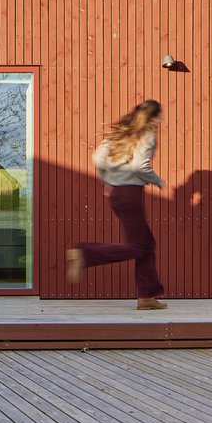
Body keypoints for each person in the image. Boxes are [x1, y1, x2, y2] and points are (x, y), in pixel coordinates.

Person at [66, 98, 167, 310]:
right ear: (154, 117)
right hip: (130, 194)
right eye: (160, 116)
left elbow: (98, 158)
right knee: (141, 246)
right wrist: (157, 180)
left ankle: (147, 297)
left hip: (117, 194)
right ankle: (85, 253)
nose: (161, 119)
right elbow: (141, 166)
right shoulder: (147, 135)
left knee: (145, 244)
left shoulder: (122, 132)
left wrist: (108, 181)